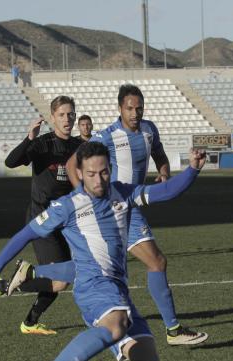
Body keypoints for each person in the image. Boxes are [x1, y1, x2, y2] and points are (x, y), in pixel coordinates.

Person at [0, 144, 207, 361]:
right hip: (92, 287)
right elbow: (26, 233)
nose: (99, 180)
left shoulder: (122, 193)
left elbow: (165, 192)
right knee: (116, 326)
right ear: (80, 174)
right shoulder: (68, 206)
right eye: (91, 174)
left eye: (104, 172)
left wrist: (194, 168)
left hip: (118, 289)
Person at [54, 83, 207, 346]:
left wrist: (163, 171)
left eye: (139, 108)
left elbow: (159, 154)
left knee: (112, 266)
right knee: (150, 262)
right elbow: (72, 164)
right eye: (130, 108)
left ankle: (32, 275)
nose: (135, 113)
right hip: (115, 209)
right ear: (119, 109)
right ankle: (172, 329)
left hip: (132, 206)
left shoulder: (149, 130)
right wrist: (84, 196)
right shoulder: (107, 135)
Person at [0, 95, 83, 335]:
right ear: (52, 118)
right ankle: (4, 289)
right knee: (59, 280)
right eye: (61, 115)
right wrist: (30, 138)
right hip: (42, 219)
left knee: (61, 280)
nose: (67, 119)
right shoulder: (43, 144)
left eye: (71, 114)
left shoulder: (79, 147)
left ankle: (29, 321)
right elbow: (11, 161)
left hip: (67, 220)